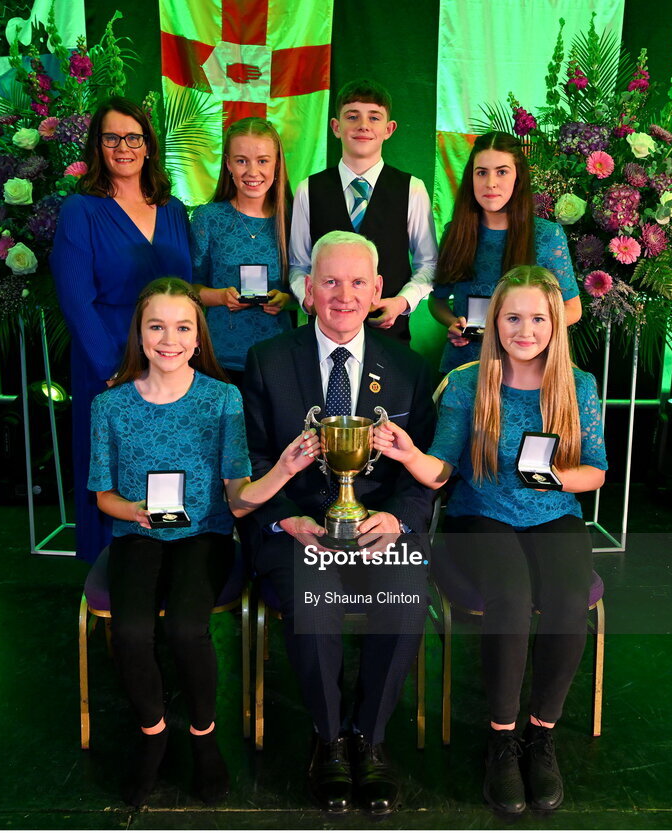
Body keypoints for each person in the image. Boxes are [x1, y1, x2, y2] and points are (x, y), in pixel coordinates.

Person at [373, 266, 607, 815]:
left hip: (554, 513)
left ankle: (541, 733)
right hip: (480, 516)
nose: (524, 330)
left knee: (568, 600)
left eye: (537, 318)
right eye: (512, 317)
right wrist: (410, 454)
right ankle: (502, 738)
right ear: (494, 320)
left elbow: (595, 471)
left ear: (555, 323)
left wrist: (556, 478)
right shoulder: (466, 382)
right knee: (509, 595)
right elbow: (442, 469)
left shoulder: (579, 386)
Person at [89, 277, 320, 809]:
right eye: (157, 327)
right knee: (129, 630)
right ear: (140, 334)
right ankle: (152, 733)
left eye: (182, 327)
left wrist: (282, 470)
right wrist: (135, 512)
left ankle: (203, 735)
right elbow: (102, 495)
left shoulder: (223, 399)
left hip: (206, 533)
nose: (169, 339)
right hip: (138, 532)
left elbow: (238, 496)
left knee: (190, 628)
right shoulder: (111, 405)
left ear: (199, 337)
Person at [241, 231, 437, 815]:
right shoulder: (267, 361)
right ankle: (328, 740)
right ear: (308, 291)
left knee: (406, 597)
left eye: (357, 283)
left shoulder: (408, 367)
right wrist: (287, 520)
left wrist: (398, 522)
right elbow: (249, 462)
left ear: (378, 289)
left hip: (379, 527)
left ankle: (369, 740)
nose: (343, 295)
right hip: (296, 528)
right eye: (330, 281)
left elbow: (420, 470)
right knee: (314, 596)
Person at [51, 96, 192, 563]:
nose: (123, 147)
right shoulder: (81, 210)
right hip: (108, 359)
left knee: (167, 459)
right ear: (98, 146)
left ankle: (170, 563)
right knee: (112, 469)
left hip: (169, 360)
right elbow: (75, 299)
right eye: (112, 138)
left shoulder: (171, 208)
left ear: (149, 145)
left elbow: (186, 289)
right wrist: (115, 369)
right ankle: (110, 574)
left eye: (134, 137)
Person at [288, 79, 437, 341]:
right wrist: (307, 299)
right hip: (323, 336)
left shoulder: (412, 189)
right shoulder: (308, 189)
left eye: (374, 117)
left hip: (390, 337)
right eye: (352, 116)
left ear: (389, 129)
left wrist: (401, 302)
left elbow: (428, 264)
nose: (363, 125)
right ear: (336, 126)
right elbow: (298, 265)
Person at [430, 131, 582, 375]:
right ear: (471, 178)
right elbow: (437, 302)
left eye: (501, 172)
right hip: (465, 367)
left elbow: (573, 309)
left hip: (526, 370)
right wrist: (453, 324)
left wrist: (528, 331)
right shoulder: (456, 232)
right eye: (482, 172)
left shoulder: (547, 235)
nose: (490, 183)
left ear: (517, 177)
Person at [191, 117, 294, 385]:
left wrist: (286, 299)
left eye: (262, 160)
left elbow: (309, 290)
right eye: (241, 161)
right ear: (227, 164)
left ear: (277, 164)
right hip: (219, 359)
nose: (252, 171)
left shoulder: (293, 220)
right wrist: (220, 297)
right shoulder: (208, 218)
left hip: (278, 358)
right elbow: (189, 287)